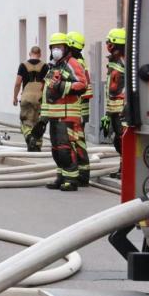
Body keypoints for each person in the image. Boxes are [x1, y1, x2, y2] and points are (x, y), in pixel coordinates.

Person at [41, 32, 88, 192]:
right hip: (55, 115)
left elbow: (83, 84)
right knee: (56, 150)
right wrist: (43, 118)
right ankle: (61, 176)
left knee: (65, 149)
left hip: (68, 114)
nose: (56, 50)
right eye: (53, 47)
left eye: (59, 47)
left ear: (66, 48)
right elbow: (47, 92)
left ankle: (71, 179)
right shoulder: (53, 66)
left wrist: (63, 86)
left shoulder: (72, 63)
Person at [67, 31, 92, 186]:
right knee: (77, 142)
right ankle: (80, 172)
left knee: (78, 142)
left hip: (78, 109)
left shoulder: (76, 64)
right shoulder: (80, 62)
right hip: (81, 109)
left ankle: (82, 174)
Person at [13, 46, 48, 152]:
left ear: (30, 53)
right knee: (38, 122)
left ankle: (29, 137)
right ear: (40, 54)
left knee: (26, 121)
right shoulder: (45, 66)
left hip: (26, 97)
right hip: (40, 97)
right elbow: (48, 83)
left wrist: (15, 96)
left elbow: (18, 83)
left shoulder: (23, 66)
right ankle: (37, 145)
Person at [103, 28, 126, 178]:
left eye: (109, 43)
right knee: (118, 141)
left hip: (122, 110)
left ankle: (125, 169)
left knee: (123, 141)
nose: (107, 45)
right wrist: (107, 114)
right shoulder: (114, 62)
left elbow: (118, 88)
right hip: (114, 110)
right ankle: (122, 168)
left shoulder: (123, 62)